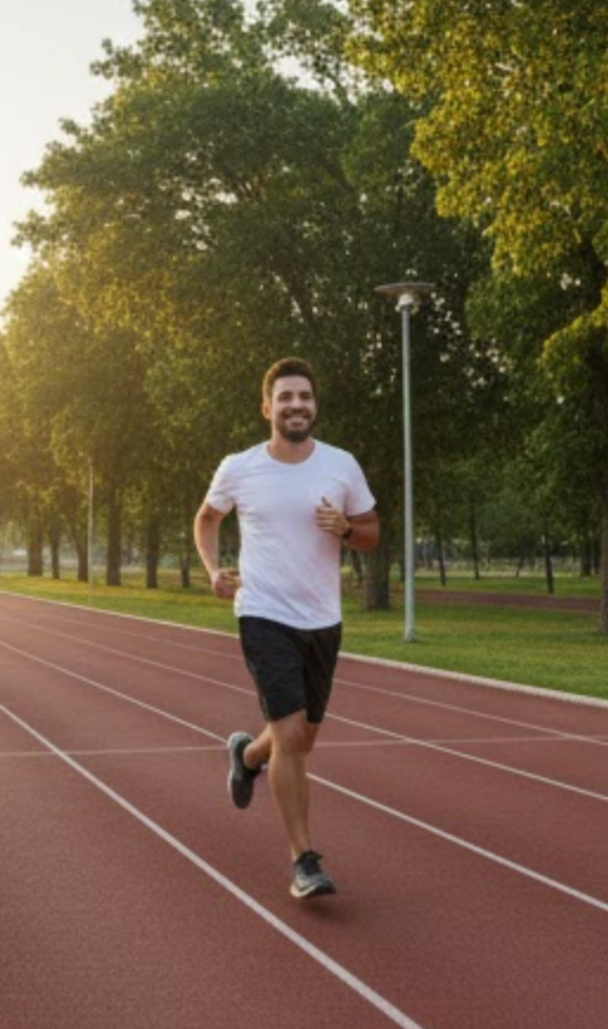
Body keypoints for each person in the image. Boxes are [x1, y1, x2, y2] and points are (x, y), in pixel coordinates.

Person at [193, 357, 379, 899]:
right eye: (286, 397)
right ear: (267, 406)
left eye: (305, 397)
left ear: (313, 405)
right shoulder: (240, 467)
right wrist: (212, 570)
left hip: (323, 619)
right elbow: (207, 518)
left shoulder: (341, 465)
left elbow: (371, 531)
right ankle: (303, 860)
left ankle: (248, 755)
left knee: (301, 738)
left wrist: (345, 528)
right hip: (263, 613)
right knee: (293, 735)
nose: (296, 405)